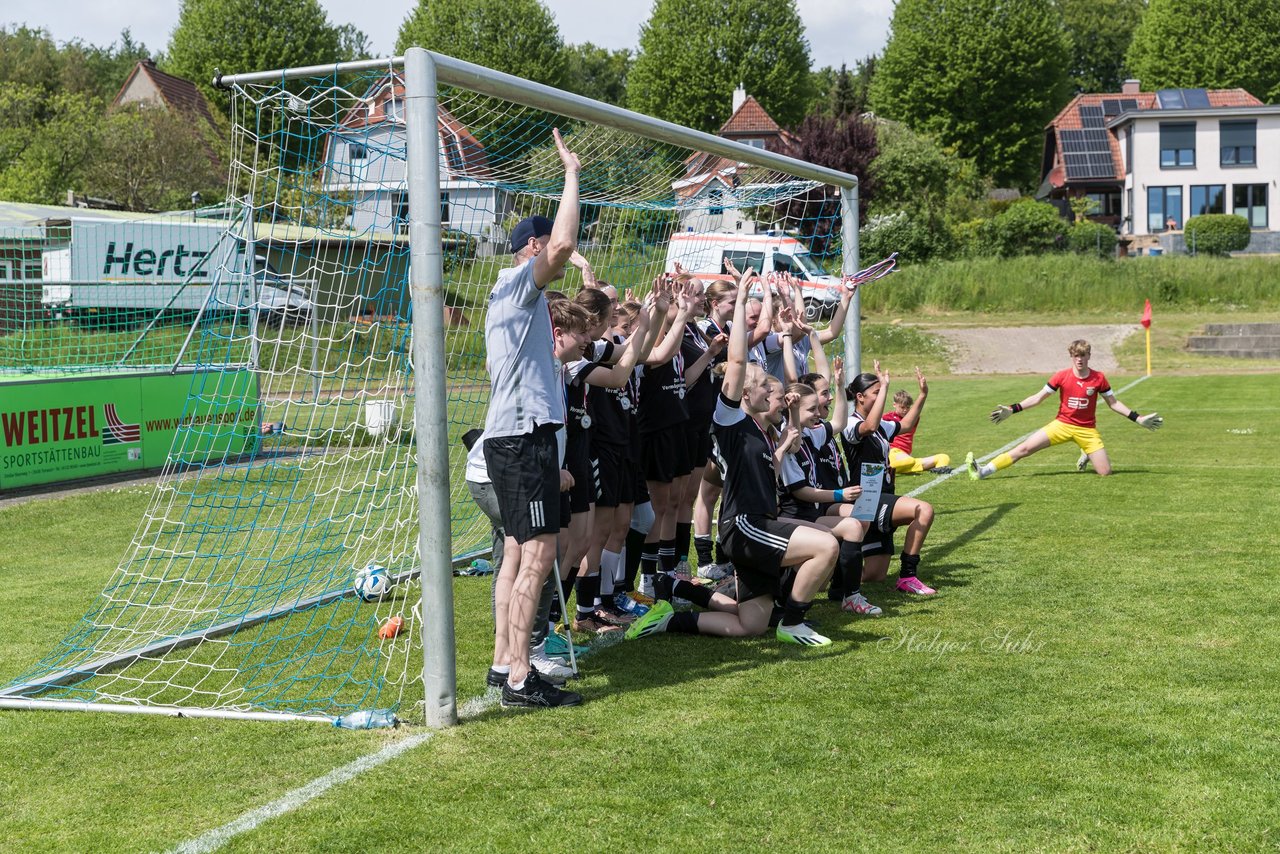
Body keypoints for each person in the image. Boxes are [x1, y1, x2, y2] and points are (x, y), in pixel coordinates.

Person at [625, 266, 840, 647]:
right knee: (826, 545)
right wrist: (742, 299)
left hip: (757, 523)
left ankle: (675, 611)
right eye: (768, 390)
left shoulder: (762, 430)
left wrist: (784, 442)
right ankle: (793, 621)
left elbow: (765, 474)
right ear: (746, 394)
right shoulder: (730, 420)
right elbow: (738, 362)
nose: (776, 396)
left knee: (751, 625)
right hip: (745, 527)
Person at [483, 128, 585, 710]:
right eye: (544, 247)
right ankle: (521, 676)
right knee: (540, 554)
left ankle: (506, 665)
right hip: (522, 441)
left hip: (521, 439)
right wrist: (571, 173)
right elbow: (565, 244)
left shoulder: (521, 303)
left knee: (523, 554)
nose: (555, 257)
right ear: (532, 249)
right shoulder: (518, 286)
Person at [966, 339, 1163, 480]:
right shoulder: (1061, 376)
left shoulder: (1099, 378)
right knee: (1024, 449)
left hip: (1087, 430)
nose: (1080, 359)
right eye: (1076, 356)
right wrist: (1012, 408)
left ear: (1089, 356)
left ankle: (1085, 451)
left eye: (1083, 356)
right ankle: (983, 471)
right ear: (1071, 356)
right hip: (1062, 425)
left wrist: (1138, 418)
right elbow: (1037, 398)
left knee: (1105, 473)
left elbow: (1113, 403)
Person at [842, 364, 938, 596]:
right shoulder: (850, 423)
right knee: (923, 510)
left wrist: (923, 395)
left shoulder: (882, 426)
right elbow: (870, 426)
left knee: (875, 576)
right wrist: (885, 386)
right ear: (860, 397)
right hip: (867, 500)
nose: (880, 397)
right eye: (876, 393)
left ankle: (837, 577)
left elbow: (905, 426)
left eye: (880, 391)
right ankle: (908, 576)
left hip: (881, 496)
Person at [884, 390, 952, 475]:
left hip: (906, 455)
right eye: (902, 407)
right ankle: (887, 466)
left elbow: (916, 409)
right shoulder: (886, 418)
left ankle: (938, 470)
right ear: (894, 405)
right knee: (908, 460)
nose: (905, 410)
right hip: (893, 452)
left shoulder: (913, 418)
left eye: (908, 407)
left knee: (943, 457)